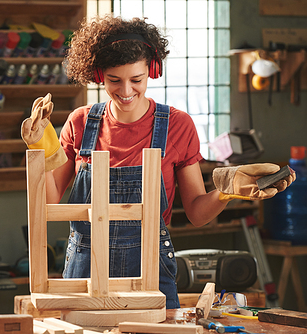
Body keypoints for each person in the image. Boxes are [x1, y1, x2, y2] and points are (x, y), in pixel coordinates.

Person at [21, 15, 295, 309]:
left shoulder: (177, 125)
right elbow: (49, 201)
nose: (126, 91)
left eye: (136, 80)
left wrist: (225, 192)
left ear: (151, 71)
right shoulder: (82, 122)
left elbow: (197, 213)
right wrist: (41, 148)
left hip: (150, 271)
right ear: (99, 75)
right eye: (114, 80)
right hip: (85, 272)